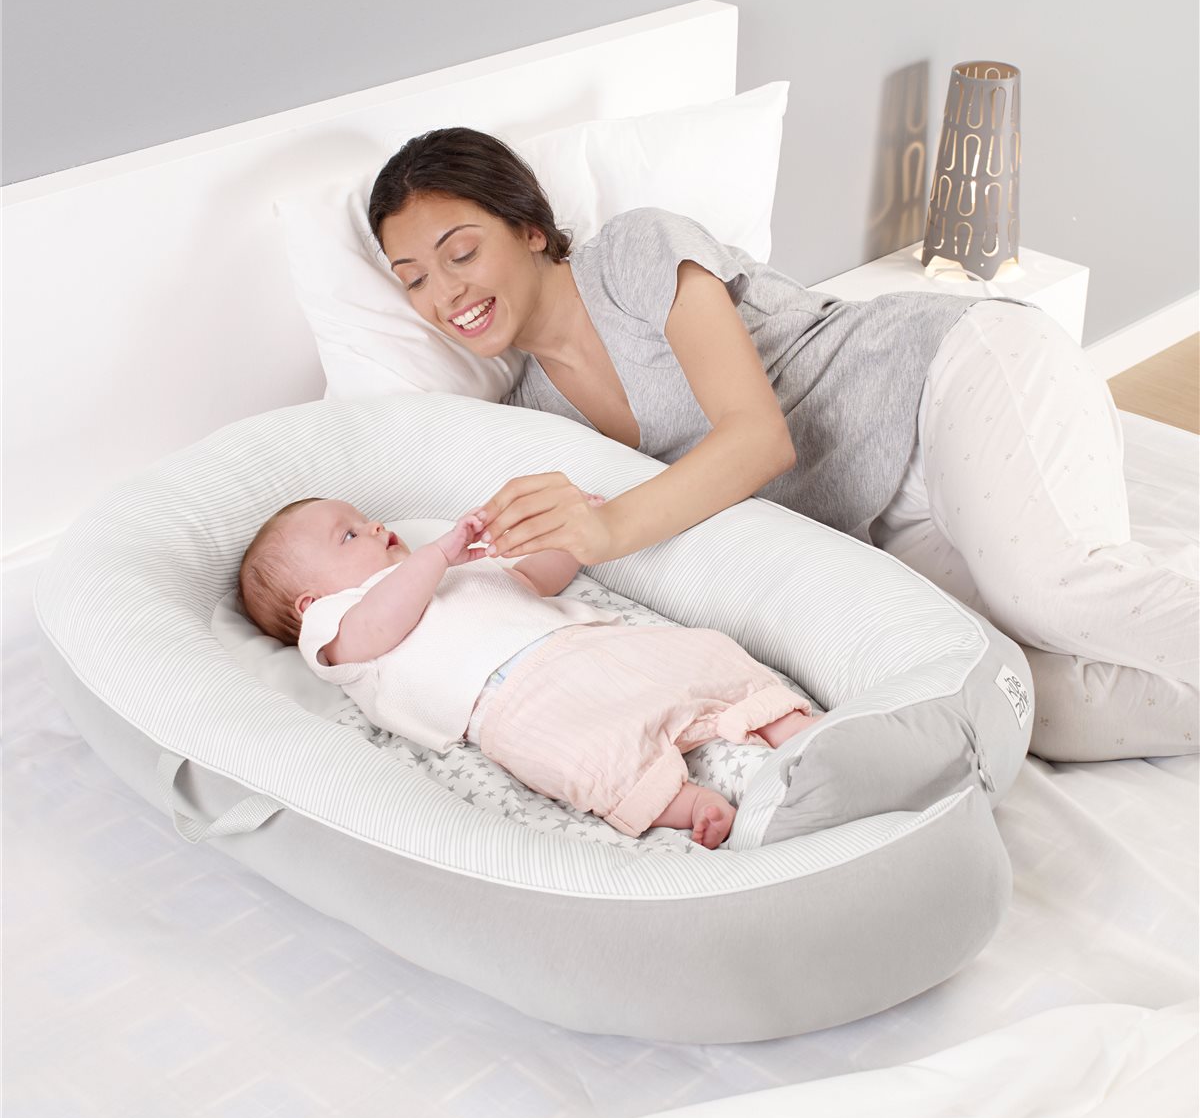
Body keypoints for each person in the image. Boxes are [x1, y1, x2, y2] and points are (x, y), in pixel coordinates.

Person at [364, 127, 1198, 760]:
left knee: (1050, 594)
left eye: (460, 253)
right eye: (414, 281)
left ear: (531, 229)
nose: (446, 294)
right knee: (1026, 700)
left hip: (945, 375)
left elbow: (758, 441)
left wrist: (610, 525)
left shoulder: (632, 255)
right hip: (880, 519)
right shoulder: (536, 415)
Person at [238, 498, 819, 848]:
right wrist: (433, 556)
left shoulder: (455, 573)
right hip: (512, 701)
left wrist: (577, 535)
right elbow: (381, 623)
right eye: (349, 534)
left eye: (365, 519)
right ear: (307, 603)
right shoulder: (337, 626)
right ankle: (687, 805)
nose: (374, 528)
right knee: (583, 758)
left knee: (699, 654)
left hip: (581, 643)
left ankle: (787, 729)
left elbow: (539, 578)